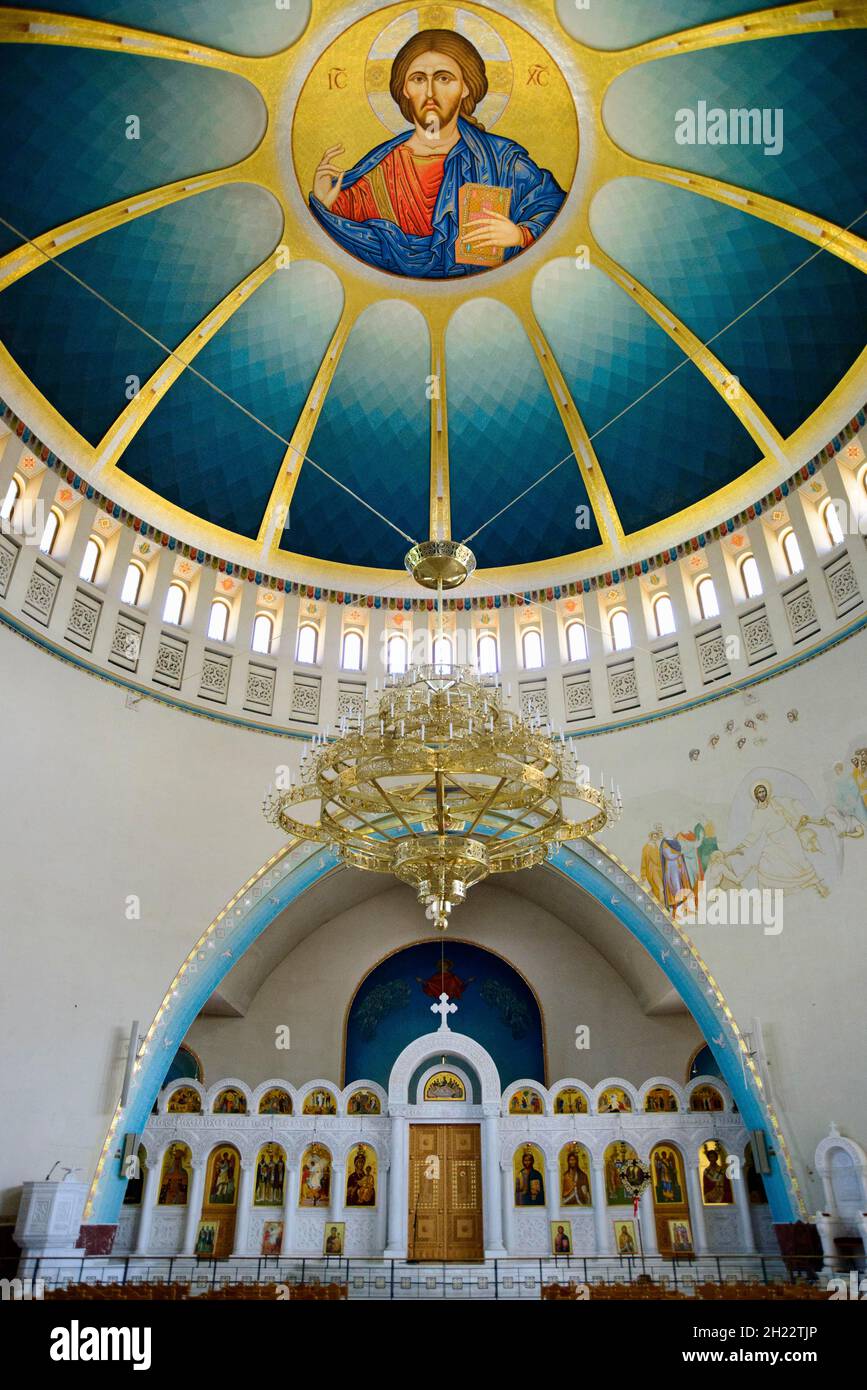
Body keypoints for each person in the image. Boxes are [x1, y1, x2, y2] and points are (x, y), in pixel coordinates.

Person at [309, 29, 566, 278]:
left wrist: (520, 235)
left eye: (444, 78)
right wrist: (325, 204)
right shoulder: (381, 167)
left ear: (466, 87)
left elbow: (553, 205)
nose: (430, 92)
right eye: (419, 79)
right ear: (405, 89)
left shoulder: (501, 160)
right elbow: (344, 237)